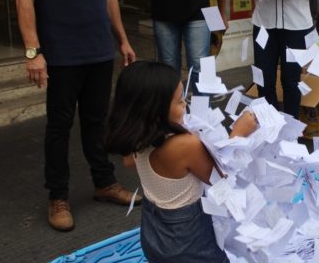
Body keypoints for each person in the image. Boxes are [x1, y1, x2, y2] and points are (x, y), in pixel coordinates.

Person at [15, 0, 139, 232]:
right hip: (62, 54)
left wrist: (122, 39)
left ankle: (104, 182)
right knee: (59, 126)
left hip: (99, 50)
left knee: (98, 122)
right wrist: (32, 52)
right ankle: (58, 196)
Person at [104, 61, 258, 262]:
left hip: (153, 229)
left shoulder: (137, 136)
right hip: (187, 236)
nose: (185, 104)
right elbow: (221, 177)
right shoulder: (184, 145)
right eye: (179, 101)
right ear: (155, 109)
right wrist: (239, 133)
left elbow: (130, 163)